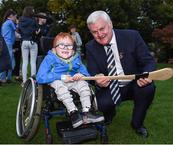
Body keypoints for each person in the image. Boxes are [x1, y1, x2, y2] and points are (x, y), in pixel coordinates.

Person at [85, 10, 156, 138]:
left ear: (110, 24)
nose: (99, 34)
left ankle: (137, 124)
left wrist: (147, 74)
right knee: (102, 104)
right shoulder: (90, 47)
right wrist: (96, 78)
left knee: (148, 89)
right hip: (110, 86)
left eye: (102, 29)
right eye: (94, 32)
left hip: (135, 83)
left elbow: (148, 61)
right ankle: (109, 114)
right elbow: (92, 71)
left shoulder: (132, 36)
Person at [36, 32, 104, 128]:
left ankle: (87, 112)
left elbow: (86, 74)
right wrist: (60, 77)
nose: (65, 48)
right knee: (59, 85)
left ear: (73, 49)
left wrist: (81, 75)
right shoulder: (50, 58)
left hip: (73, 81)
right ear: (55, 48)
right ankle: (73, 113)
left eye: (69, 46)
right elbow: (40, 77)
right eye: (61, 45)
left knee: (83, 84)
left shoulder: (76, 58)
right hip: (56, 81)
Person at [18, 6, 39, 85]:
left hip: (24, 41)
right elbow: (37, 30)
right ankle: (33, 81)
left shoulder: (21, 20)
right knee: (32, 62)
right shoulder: (33, 20)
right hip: (32, 41)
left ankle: (24, 81)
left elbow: (19, 30)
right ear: (30, 11)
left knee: (25, 62)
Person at [0, 9, 17, 84]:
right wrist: (17, 22)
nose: (16, 18)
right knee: (7, 61)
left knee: (10, 61)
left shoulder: (5, 23)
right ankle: (3, 78)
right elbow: (17, 29)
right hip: (8, 44)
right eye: (15, 16)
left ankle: (7, 78)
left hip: (6, 43)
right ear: (10, 16)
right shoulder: (10, 22)